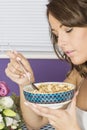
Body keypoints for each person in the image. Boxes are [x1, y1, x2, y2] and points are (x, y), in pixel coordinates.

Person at [5, 0, 87, 130]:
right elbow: (36, 123)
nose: (60, 43)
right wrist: (26, 84)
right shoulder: (79, 74)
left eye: (68, 30)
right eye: (56, 34)